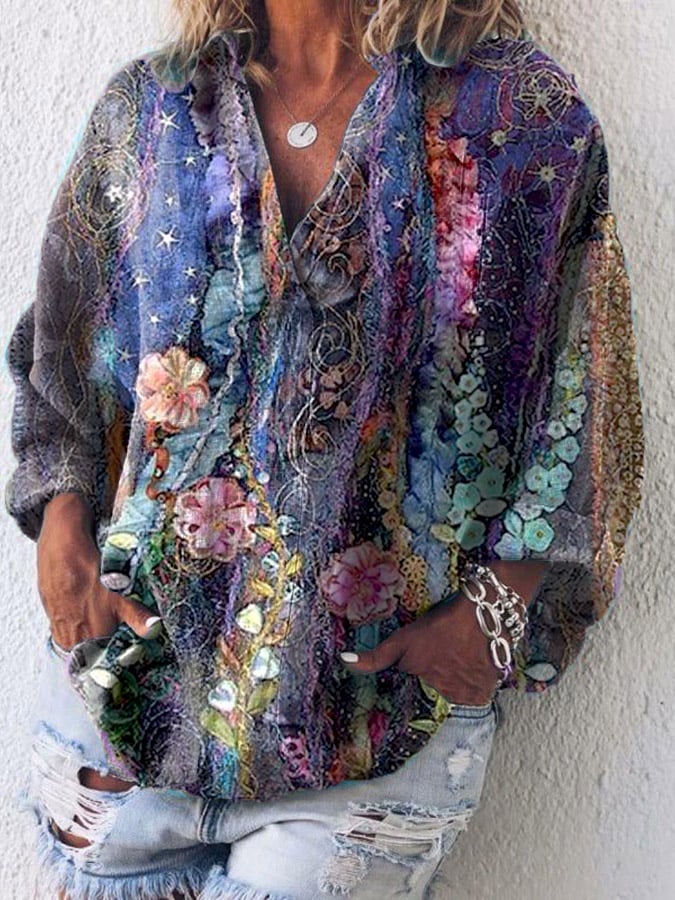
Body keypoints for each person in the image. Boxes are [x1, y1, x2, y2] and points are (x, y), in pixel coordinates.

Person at [5, 0, 645, 898]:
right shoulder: (149, 108)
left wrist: (494, 614)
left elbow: (587, 378)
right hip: (124, 706)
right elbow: (62, 350)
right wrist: (61, 539)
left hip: (375, 726)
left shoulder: (519, 119)